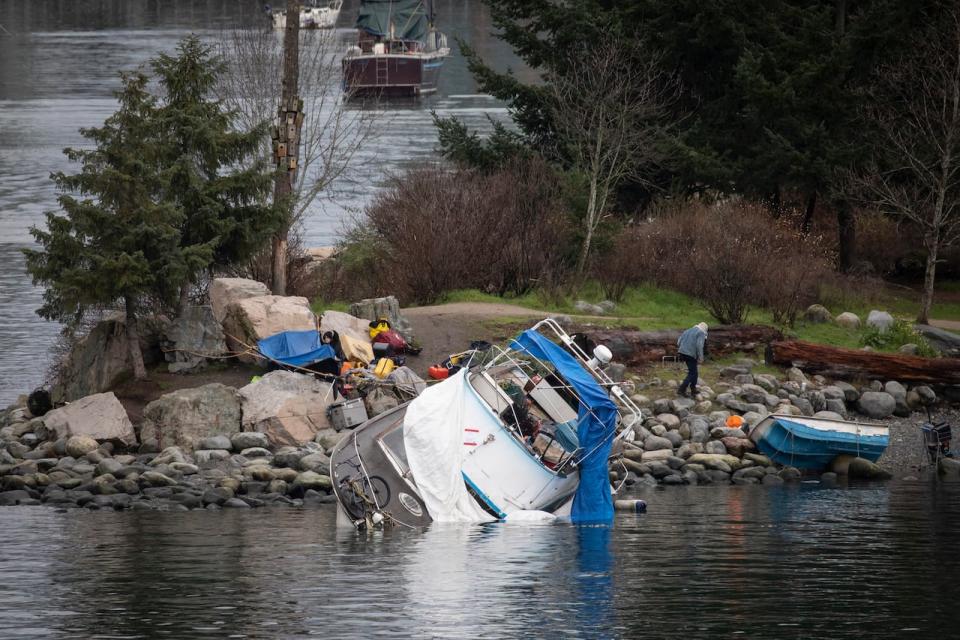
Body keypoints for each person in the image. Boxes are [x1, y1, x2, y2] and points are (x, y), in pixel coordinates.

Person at [676, 322, 708, 397]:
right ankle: (681, 389)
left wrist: (684, 348)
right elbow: (699, 345)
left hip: (682, 352)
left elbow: (678, 342)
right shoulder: (701, 333)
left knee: (694, 372)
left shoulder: (687, 330)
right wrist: (701, 357)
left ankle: (693, 389)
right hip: (690, 354)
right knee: (692, 373)